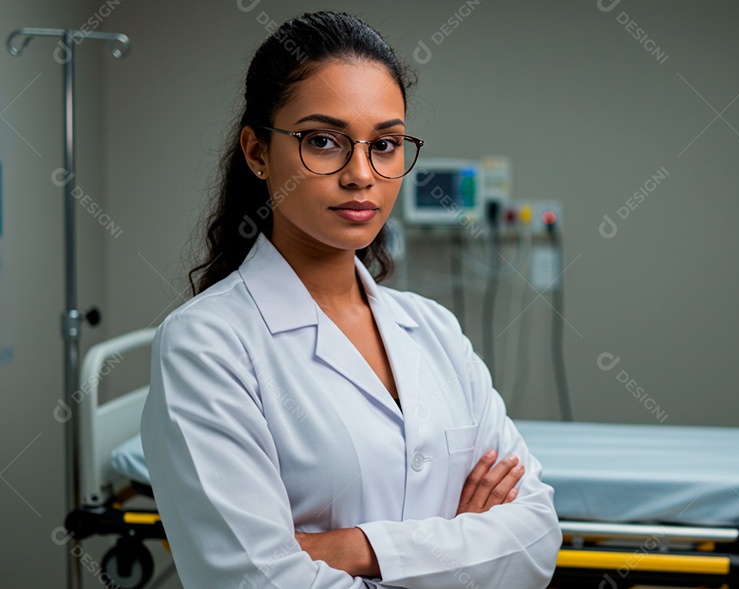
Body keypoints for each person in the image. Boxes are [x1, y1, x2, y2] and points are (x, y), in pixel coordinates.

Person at [140, 11, 561, 588]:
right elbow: (258, 582)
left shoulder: (433, 329)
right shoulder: (207, 345)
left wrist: (355, 548)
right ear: (258, 152)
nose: (361, 174)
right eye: (323, 142)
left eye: (385, 145)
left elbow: (536, 535)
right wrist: (461, 546)